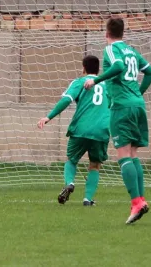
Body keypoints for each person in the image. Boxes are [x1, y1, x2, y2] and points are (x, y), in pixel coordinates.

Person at [84, 18, 151, 224]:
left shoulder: (110, 49)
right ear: (123, 32)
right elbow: (150, 72)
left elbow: (117, 66)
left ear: (106, 32)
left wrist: (95, 80)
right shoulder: (131, 50)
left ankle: (136, 203)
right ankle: (141, 200)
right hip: (137, 105)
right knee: (133, 154)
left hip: (122, 107)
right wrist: (138, 94)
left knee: (123, 155)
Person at [37, 55, 110, 206]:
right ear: (99, 69)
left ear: (83, 68)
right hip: (101, 130)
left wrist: (48, 117)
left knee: (72, 160)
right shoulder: (107, 85)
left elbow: (66, 100)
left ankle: (70, 183)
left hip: (81, 129)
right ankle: (87, 200)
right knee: (95, 165)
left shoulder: (80, 82)